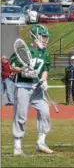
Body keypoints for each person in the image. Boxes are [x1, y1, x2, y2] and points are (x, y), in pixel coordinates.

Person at [9, 24, 53, 156]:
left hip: (37, 88)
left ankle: (41, 142)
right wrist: (22, 70)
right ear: (35, 36)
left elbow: (45, 68)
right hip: (24, 87)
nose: (45, 39)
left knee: (45, 113)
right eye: (43, 36)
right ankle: (17, 147)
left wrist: (44, 80)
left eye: (46, 37)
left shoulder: (45, 52)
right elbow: (12, 66)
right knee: (20, 116)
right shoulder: (24, 49)